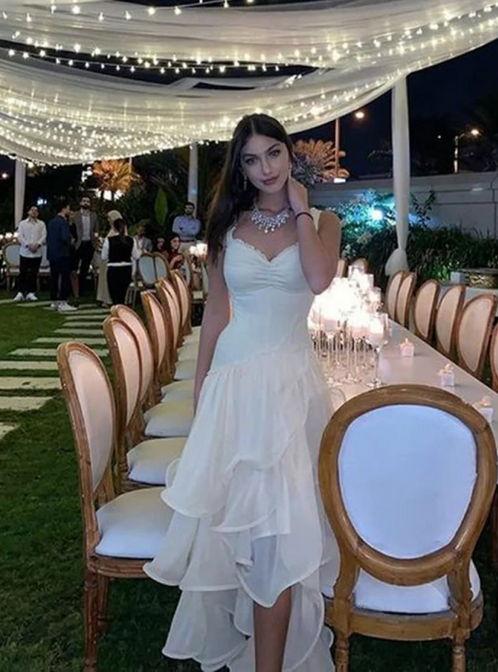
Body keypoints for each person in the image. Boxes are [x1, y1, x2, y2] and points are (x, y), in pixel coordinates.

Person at [145, 114, 341, 670]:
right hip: (235, 382)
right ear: (241, 167)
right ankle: (254, 646)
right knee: (246, 534)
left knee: (278, 535)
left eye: (273, 154)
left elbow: (321, 278)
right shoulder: (228, 225)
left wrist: (301, 208)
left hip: (291, 385)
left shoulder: (324, 221)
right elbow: (215, 316)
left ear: (289, 155)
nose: (264, 169)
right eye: (251, 160)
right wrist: (203, 389)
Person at [46, 200, 77, 312]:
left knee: (54, 277)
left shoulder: (51, 222)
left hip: (52, 253)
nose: (69, 211)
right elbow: (64, 237)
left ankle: (53, 301)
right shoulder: (63, 222)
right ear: (64, 209)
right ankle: (63, 301)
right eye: (68, 208)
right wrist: (71, 240)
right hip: (62, 253)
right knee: (64, 277)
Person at [101, 217, 139, 306]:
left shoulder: (109, 240)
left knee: (114, 295)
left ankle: (116, 311)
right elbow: (136, 256)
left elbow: (104, 256)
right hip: (126, 268)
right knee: (122, 294)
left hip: (113, 268)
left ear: (114, 228)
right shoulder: (131, 240)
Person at [13, 204, 47, 302]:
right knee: (23, 273)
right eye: (32, 210)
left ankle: (31, 292)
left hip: (37, 253)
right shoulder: (22, 224)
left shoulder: (41, 224)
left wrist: (38, 244)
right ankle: (20, 292)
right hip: (25, 252)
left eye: (36, 211)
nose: (34, 212)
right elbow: (20, 236)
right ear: (28, 212)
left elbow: (43, 236)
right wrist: (28, 245)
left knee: (33, 273)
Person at [71, 195, 99, 295]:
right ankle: (73, 288)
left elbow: (96, 230)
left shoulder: (94, 215)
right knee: (74, 266)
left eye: (88, 201)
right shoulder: (75, 215)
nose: (86, 203)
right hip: (78, 243)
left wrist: (95, 239)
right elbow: (71, 228)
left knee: (85, 267)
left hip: (89, 243)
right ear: (80, 203)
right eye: (84, 201)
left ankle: (82, 288)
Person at [96, 209, 123, 307]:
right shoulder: (111, 230)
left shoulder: (120, 231)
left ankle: (110, 299)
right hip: (106, 259)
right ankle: (104, 298)